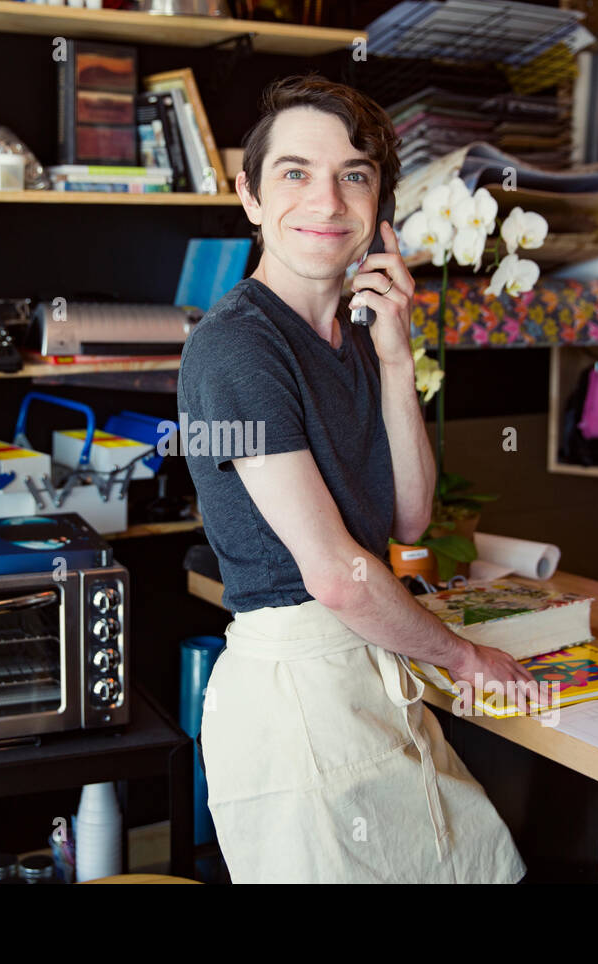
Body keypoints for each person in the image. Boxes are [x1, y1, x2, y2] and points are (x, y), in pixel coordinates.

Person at [177, 74, 537, 883]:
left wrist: (397, 360)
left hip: (369, 679)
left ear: (380, 206)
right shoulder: (235, 348)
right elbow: (338, 577)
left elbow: (409, 518)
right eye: (295, 173)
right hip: (301, 704)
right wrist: (463, 657)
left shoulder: (354, 340)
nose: (328, 201)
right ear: (250, 197)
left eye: (355, 174)